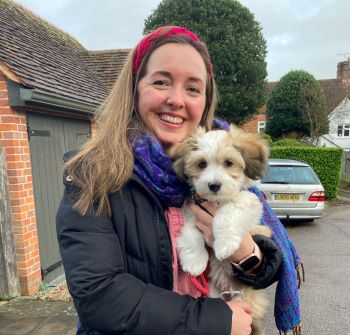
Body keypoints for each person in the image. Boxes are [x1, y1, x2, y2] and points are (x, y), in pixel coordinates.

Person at [56, 26, 302, 335]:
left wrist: (246, 254)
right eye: (161, 81)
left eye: (193, 88)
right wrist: (218, 320)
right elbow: (99, 296)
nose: (176, 99)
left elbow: (267, 266)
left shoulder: (223, 150)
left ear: (205, 99)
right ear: (134, 88)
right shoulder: (91, 175)